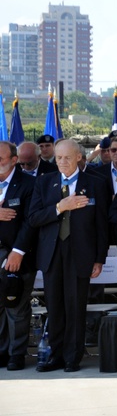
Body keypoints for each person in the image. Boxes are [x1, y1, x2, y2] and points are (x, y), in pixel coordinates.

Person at [27, 139, 109, 372]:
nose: (62, 162)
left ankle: (72, 357)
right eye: (58, 158)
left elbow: (101, 225)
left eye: (67, 158)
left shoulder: (96, 183)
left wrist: (99, 258)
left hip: (80, 253)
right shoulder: (44, 183)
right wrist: (60, 207)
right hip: (52, 253)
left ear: (79, 158)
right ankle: (55, 355)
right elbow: (33, 218)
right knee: (54, 306)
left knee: (75, 306)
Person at [0, 141, 37, 371]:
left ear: (14, 160)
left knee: (16, 307)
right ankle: (2, 352)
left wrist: (18, 252)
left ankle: (17, 354)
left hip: (17, 254)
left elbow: (30, 222)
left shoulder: (30, 184)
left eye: (1, 159)